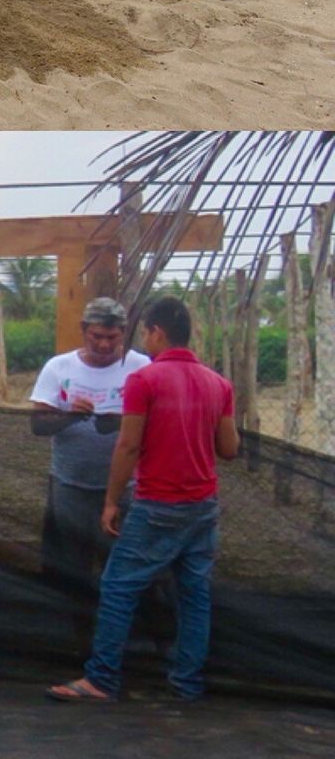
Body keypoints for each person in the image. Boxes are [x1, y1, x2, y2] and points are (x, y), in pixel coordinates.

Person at [50, 295, 238, 704]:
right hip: (204, 505)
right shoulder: (217, 383)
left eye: (146, 333)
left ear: (157, 332)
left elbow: (128, 446)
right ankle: (186, 682)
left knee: (117, 586)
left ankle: (100, 679)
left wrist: (111, 500)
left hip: (157, 502)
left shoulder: (145, 379)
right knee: (193, 594)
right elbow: (229, 448)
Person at [30, 297, 153, 641]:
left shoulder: (141, 367)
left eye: (111, 338)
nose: (103, 344)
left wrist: (121, 424)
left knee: (123, 565)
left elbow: (158, 420)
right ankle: (79, 638)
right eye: (96, 336)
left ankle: (122, 638)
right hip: (70, 485)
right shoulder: (59, 367)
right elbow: (37, 425)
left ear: (124, 334)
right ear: (84, 331)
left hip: (127, 488)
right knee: (73, 565)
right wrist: (68, 415)